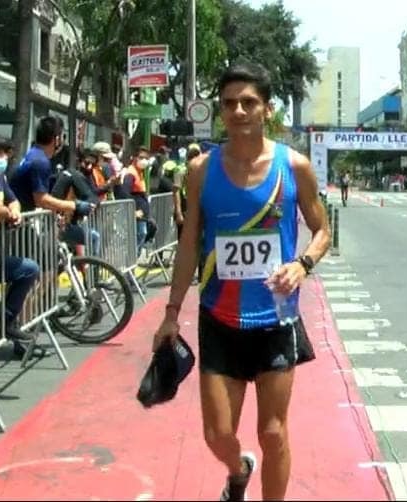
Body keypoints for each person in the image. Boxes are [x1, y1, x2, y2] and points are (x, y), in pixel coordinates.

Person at [151, 63, 330, 501]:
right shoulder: (200, 170)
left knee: (273, 433)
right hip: (219, 317)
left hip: (275, 318)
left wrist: (302, 264)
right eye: (229, 103)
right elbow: (189, 245)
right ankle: (238, 470)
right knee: (217, 435)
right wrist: (171, 314)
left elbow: (323, 230)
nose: (238, 110)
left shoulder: (295, 166)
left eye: (249, 102)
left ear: (267, 109)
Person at [0, 132, 41, 347]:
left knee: (29, 269)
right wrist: (4, 210)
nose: (2, 157)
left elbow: (13, 201)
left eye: (5, 153)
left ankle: (7, 320)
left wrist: (14, 210)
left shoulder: (0, 179)